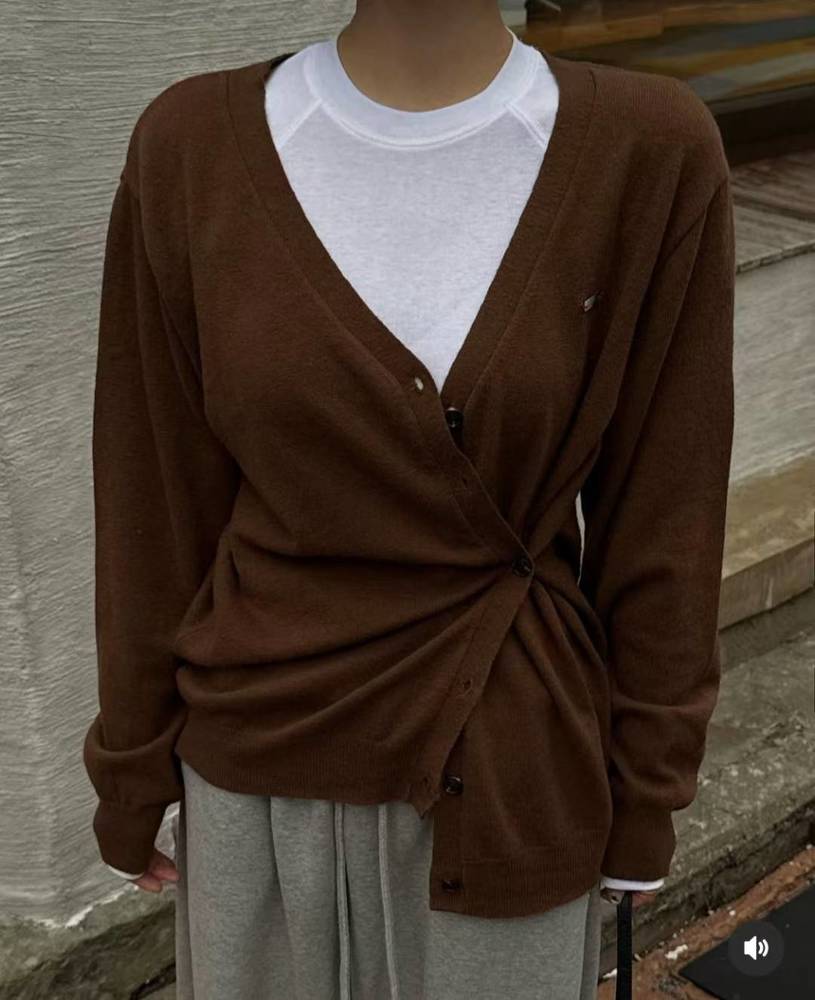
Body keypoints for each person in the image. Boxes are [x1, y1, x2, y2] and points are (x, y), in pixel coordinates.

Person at [83, 1, 735, 997]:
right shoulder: (190, 147)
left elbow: (664, 512)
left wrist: (648, 784)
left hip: (512, 772)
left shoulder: (648, 152)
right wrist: (133, 765)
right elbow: (152, 500)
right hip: (257, 773)